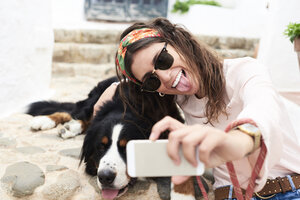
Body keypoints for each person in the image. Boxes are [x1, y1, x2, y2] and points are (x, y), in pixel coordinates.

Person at [93, 18, 300, 200]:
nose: (165, 77)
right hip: (228, 195)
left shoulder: (244, 71)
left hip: (288, 189)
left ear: (177, 41)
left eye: (162, 59)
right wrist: (114, 88)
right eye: (151, 80)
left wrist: (234, 141)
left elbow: (263, 108)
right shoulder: (180, 100)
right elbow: (108, 99)